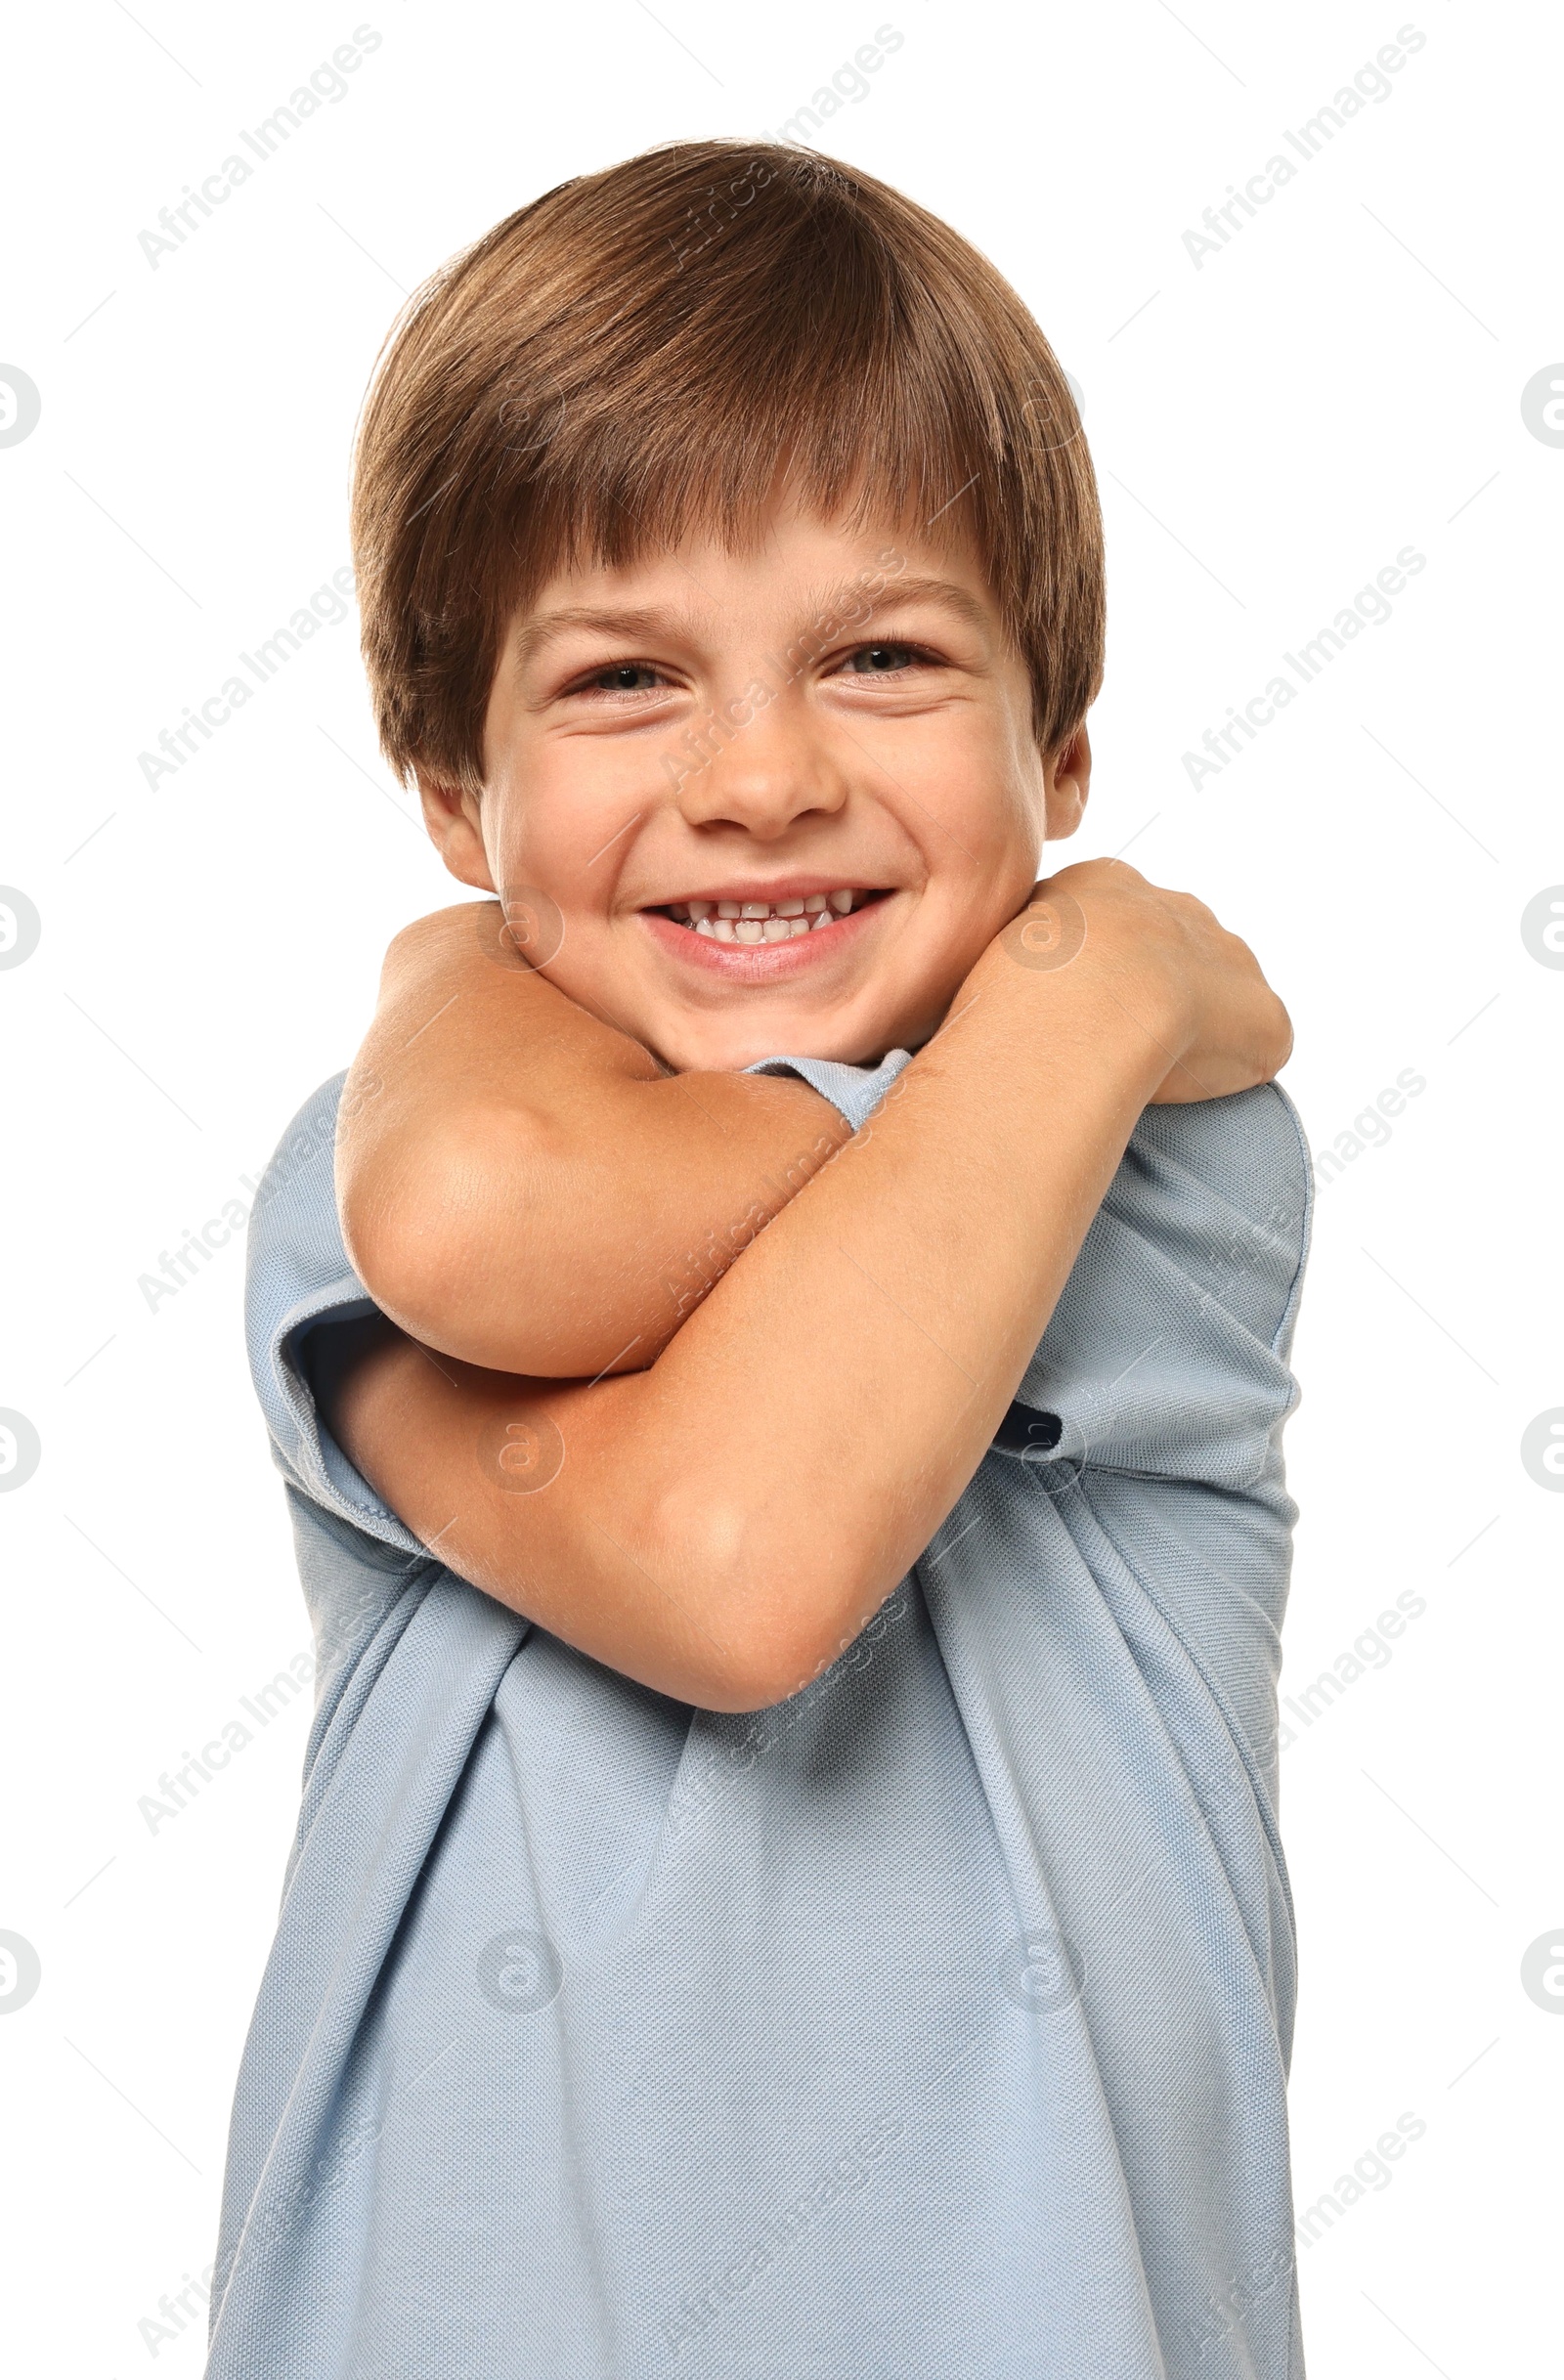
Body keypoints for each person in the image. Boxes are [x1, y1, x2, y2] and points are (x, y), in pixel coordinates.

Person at [208, 140, 1310, 2377]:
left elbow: (742, 1517)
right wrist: (1091, 974)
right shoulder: (375, 1186)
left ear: (1057, 744)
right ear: (454, 792)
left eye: (880, 656)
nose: (760, 777)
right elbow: (714, 1546)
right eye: (621, 683)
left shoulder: (1158, 1163)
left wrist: (1086, 1034)